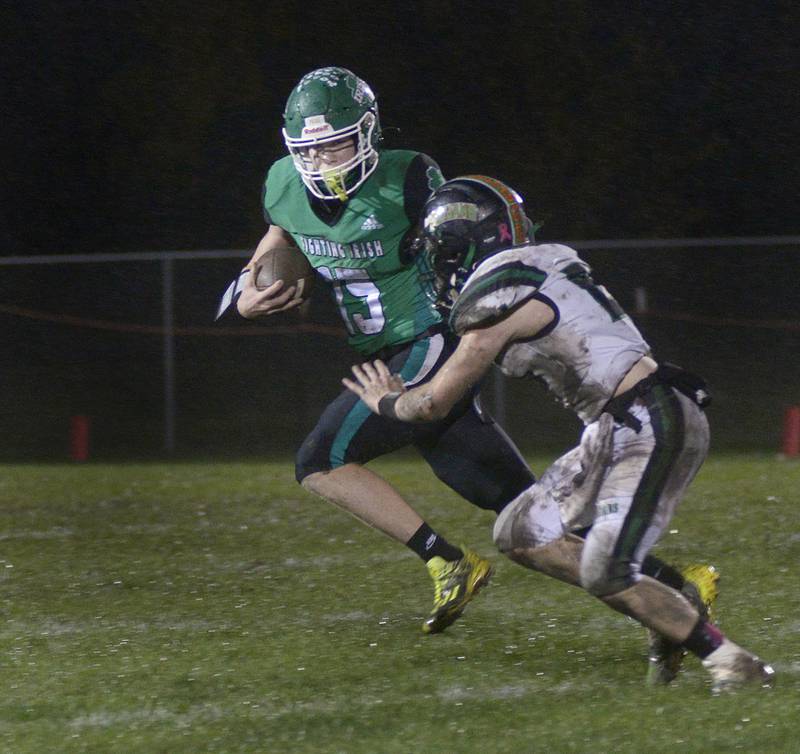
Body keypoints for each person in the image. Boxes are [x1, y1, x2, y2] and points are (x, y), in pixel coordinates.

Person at [343, 174, 774, 692]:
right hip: (614, 426)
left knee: (605, 569)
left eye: (440, 254)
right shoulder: (546, 266)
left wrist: (387, 400)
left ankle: (730, 659)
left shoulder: (498, 293)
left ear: (460, 248)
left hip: (650, 420)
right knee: (519, 532)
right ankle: (669, 617)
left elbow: (434, 402)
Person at [219, 67, 537, 634]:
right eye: (309, 151)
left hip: (429, 338)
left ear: (368, 133)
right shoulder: (281, 183)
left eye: (336, 144)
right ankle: (669, 584)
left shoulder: (409, 177)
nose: (323, 163)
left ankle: (447, 560)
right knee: (513, 501)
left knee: (321, 460)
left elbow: (463, 234)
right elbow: (280, 237)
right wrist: (248, 288)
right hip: (385, 349)